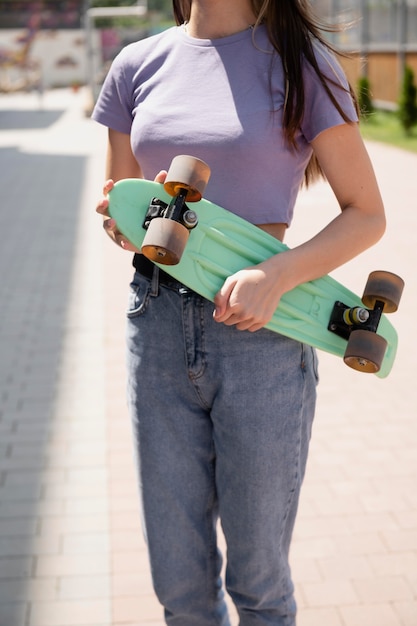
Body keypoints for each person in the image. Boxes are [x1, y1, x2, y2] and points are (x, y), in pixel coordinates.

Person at [92, 1, 386, 624]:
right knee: (180, 588)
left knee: (259, 585)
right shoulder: (135, 65)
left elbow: (367, 212)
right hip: (157, 323)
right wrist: (118, 220)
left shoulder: (303, 65)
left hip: (264, 336)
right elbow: (126, 205)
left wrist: (276, 273)